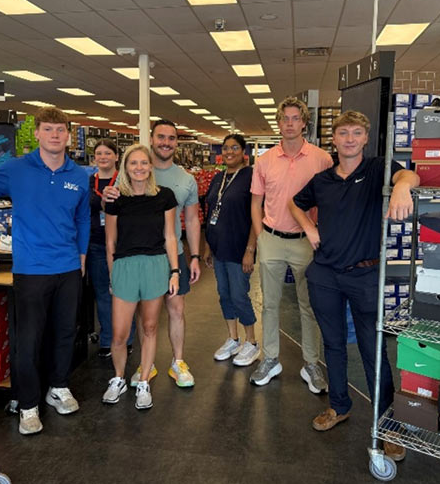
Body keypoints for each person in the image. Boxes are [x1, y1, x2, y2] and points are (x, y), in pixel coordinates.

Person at [289, 110, 419, 461]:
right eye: (343, 132)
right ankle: (339, 406)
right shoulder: (322, 180)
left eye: (356, 132)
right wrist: (309, 227)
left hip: (365, 276)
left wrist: (402, 187)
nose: (349, 139)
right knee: (333, 344)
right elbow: (296, 204)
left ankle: (388, 425)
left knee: (373, 350)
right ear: (333, 139)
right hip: (325, 275)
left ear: (366, 137)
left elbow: (409, 174)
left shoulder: (377, 169)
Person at [0, 107, 91, 435]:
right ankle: (28, 404)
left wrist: (81, 254)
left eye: (60, 129)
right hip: (31, 269)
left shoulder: (79, 175)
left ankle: (59, 386)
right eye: (48, 129)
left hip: (68, 267)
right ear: (36, 133)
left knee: (65, 332)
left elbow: (83, 217)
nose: (55, 135)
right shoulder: (16, 169)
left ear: (68, 135)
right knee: (29, 339)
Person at [104, 119, 201, 388]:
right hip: (134, 258)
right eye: (161, 137)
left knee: (177, 309)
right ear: (152, 139)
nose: (165, 142)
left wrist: (194, 256)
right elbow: (112, 205)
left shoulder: (185, 179)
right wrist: (105, 196)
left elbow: (192, 220)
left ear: (176, 142)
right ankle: (147, 366)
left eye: (171, 138)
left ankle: (178, 361)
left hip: (170, 254)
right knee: (143, 314)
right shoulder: (132, 171)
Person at [249, 97, 333, 392]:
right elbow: (256, 203)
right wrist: (261, 236)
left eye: (295, 118)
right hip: (272, 239)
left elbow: (329, 202)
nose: (289, 123)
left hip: (305, 243)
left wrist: (321, 234)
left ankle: (311, 363)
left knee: (309, 305)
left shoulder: (322, 159)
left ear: (304, 123)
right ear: (278, 123)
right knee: (270, 305)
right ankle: (271, 358)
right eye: (284, 118)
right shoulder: (265, 160)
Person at [101, 145, 179, 410]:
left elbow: (170, 236)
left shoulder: (164, 196)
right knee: (119, 334)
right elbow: (110, 242)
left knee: (150, 327)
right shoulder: (116, 199)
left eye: (143, 162)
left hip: (155, 265)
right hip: (124, 267)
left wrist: (175, 271)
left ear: (150, 166)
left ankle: (144, 381)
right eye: (133, 163)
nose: (139, 168)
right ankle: (118, 378)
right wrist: (113, 276)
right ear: (125, 167)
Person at [203, 134, 259, 366]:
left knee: (238, 295)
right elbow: (210, 213)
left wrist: (250, 249)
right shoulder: (219, 177)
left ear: (244, 152)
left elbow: (257, 215)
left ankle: (252, 342)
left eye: (235, 148)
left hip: (239, 248)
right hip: (219, 247)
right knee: (224, 294)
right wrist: (208, 246)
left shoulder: (251, 176)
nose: (229, 152)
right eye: (226, 148)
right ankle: (233, 338)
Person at [86, 139, 135, 358]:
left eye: (108, 153)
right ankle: (107, 339)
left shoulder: (126, 181)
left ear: (116, 157)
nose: (103, 157)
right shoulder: (89, 182)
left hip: (122, 245)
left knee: (125, 292)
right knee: (103, 293)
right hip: (97, 243)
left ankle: (127, 339)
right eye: (99, 153)